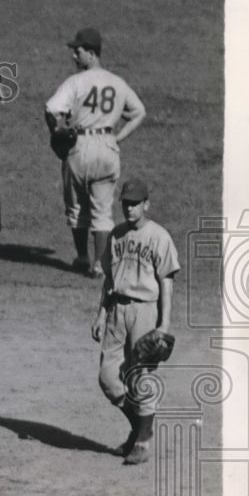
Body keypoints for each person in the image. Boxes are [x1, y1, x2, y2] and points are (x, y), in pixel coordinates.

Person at [45, 27, 147, 278]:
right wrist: (119, 136)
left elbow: (51, 109)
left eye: (77, 51)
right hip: (108, 146)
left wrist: (55, 132)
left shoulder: (76, 82)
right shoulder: (117, 82)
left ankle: (82, 258)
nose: (74, 56)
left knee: (77, 207)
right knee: (103, 211)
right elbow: (139, 112)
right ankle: (100, 265)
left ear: (91, 53)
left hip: (79, 146)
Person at [91, 179, 179, 466]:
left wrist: (163, 325)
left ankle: (141, 442)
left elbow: (166, 282)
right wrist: (101, 314)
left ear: (146, 205)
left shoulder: (159, 237)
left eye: (135, 203)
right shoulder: (116, 235)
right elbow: (108, 279)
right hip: (117, 311)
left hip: (145, 311)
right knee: (109, 378)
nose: (129, 208)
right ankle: (141, 428)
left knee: (141, 379)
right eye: (126, 203)